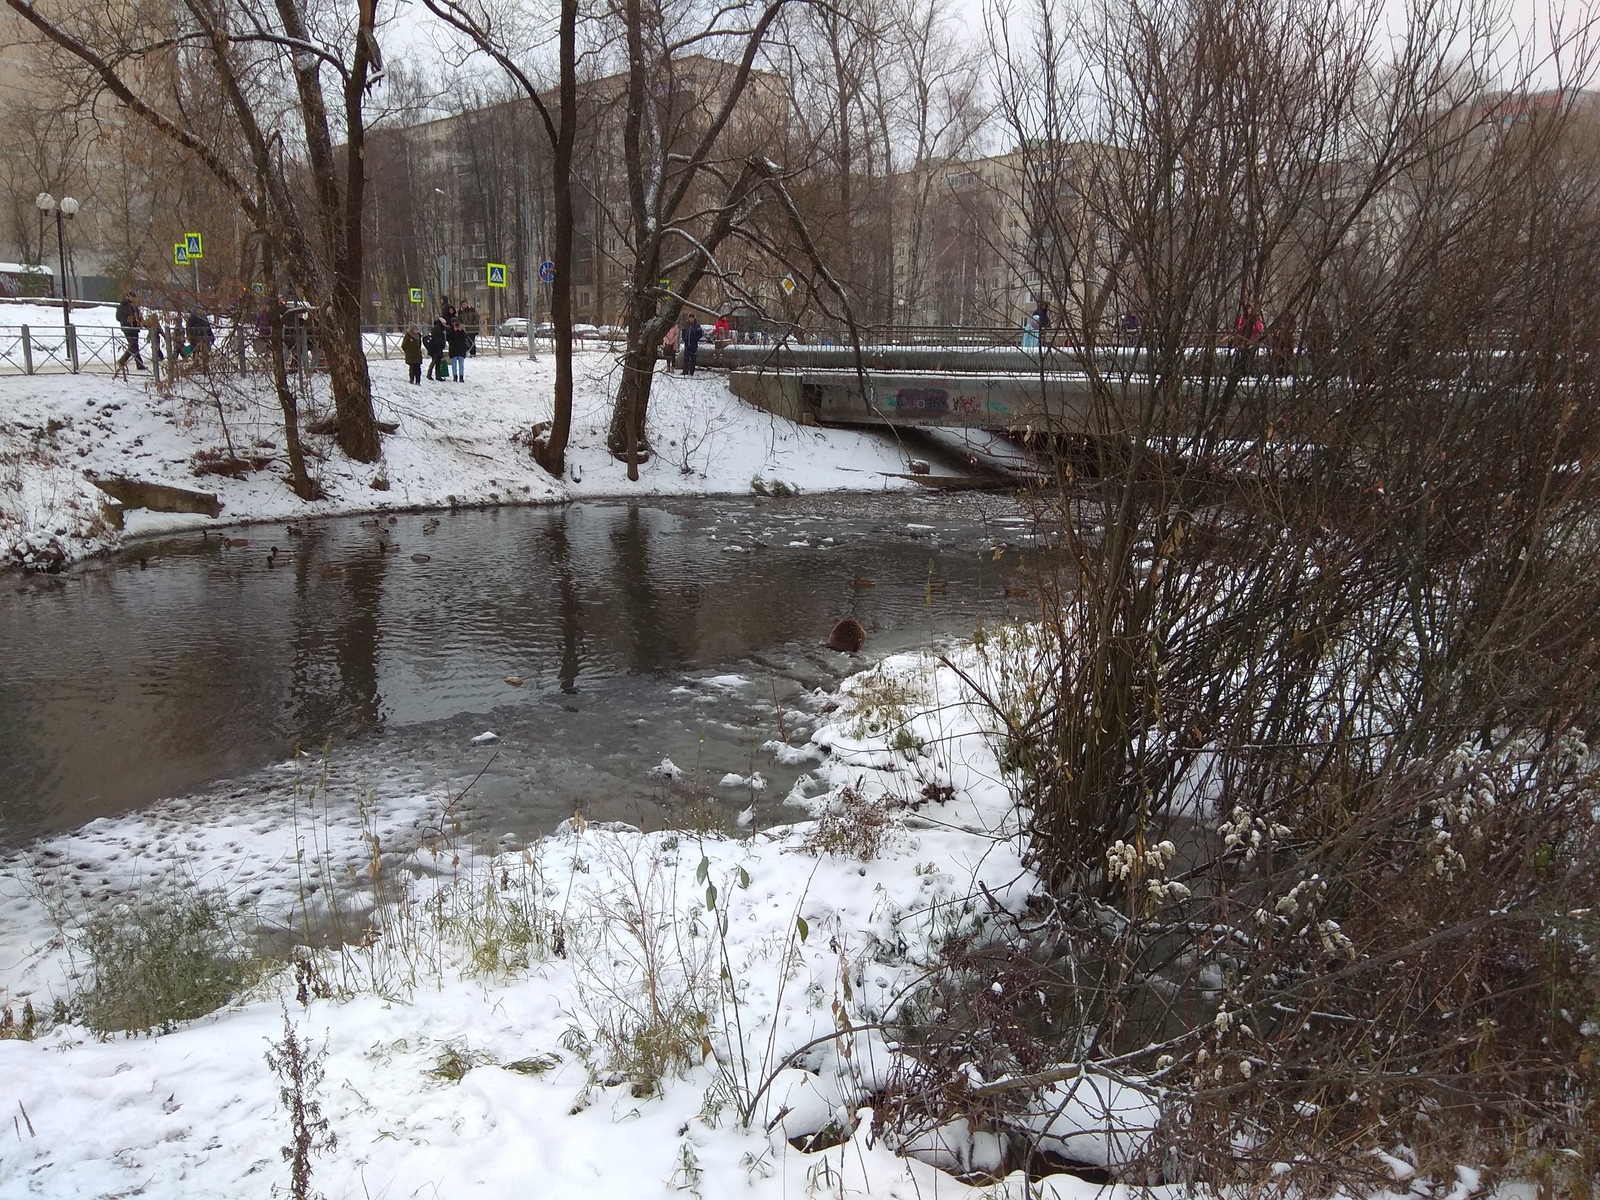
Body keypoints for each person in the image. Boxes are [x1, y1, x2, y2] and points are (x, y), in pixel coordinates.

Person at [115, 291, 145, 372]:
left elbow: (117, 318)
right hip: (133, 328)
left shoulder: (120, 306)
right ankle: (122, 361)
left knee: (135, 346)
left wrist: (124, 321)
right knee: (133, 346)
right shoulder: (133, 307)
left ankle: (139, 364)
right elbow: (138, 318)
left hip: (125, 328)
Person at [426, 317, 447, 381]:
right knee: (435, 361)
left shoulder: (438, 328)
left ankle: (437, 375)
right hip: (436, 348)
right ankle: (430, 374)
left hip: (437, 348)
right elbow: (437, 339)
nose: (445, 324)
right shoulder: (437, 329)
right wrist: (440, 345)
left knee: (437, 362)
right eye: (444, 323)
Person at [682, 312, 703, 376]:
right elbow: (683, 333)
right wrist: (684, 338)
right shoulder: (686, 325)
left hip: (693, 344)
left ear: (694, 318)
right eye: (690, 318)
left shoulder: (697, 326)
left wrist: (695, 339)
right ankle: (685, 371)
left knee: (693, 358)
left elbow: (700, 334)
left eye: (692, 318)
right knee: (686, 358)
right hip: (687, 344)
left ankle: (691, 371)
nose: (691, 319)